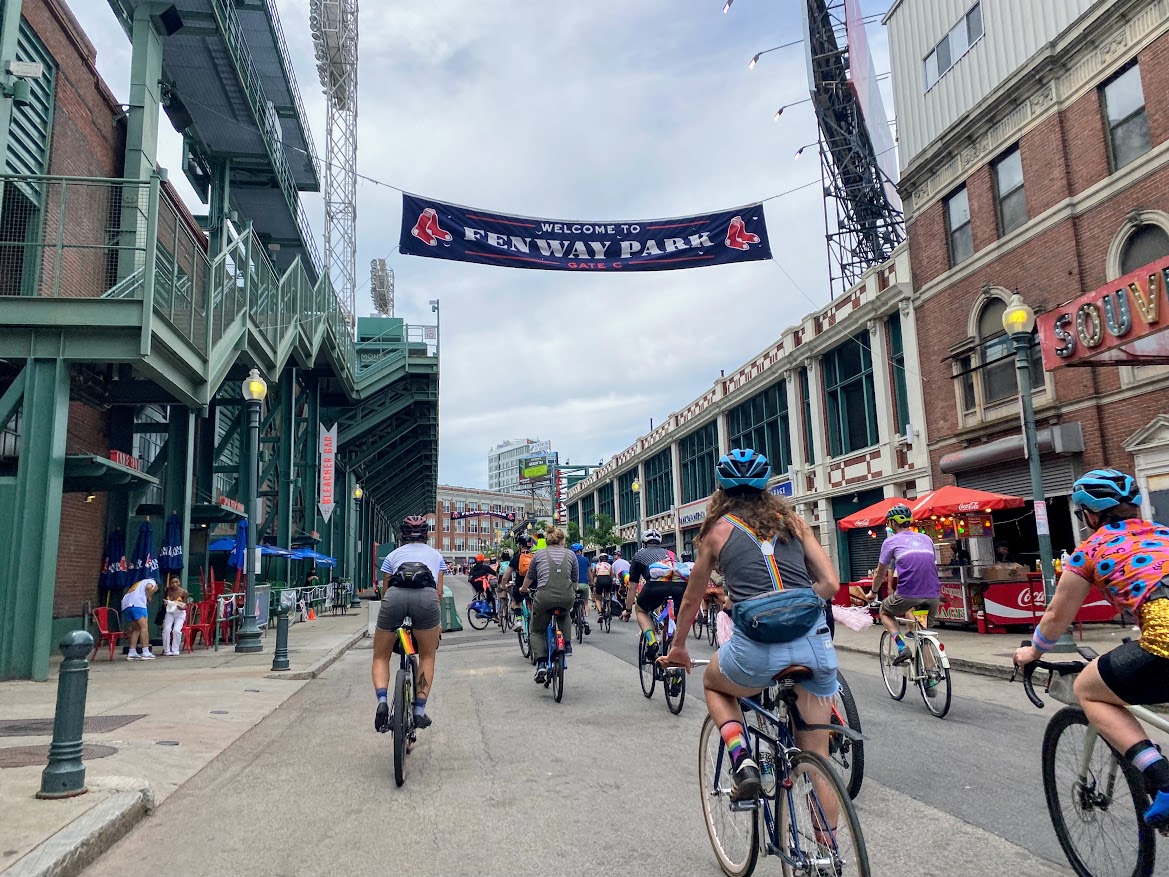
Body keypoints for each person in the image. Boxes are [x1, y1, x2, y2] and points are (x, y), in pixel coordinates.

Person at [661, 449, 840, 801]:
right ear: (766, 487)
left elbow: (691, 599)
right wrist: (800, 604)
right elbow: (830, 584)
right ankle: (826, 850)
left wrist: (679, 646)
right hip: (814, 646)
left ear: (721, 490)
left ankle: (743, 760)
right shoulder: (793, 522)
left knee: (716, 686)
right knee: (818, 758)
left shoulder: (716, 532)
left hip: (754, 652)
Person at [1014, 469, 1169, 828]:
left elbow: (1056, 616)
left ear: (1090, 514)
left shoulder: (1090, 550)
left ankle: (1162, 778)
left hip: (1164, 641)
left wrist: (1032, 653)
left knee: (1088, 688)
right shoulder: (1162, 533)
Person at [372, 516, 445, 732]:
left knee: (380, 656)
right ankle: (420, 711)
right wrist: (433, 623)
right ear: (426, 534)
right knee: (427, 656)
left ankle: (383, 701)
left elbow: (385, 590)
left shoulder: (393, 555)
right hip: (426, 599)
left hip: (394, 598)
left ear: (402, 535)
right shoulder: (436, 556)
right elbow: (438, 593)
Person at [871, 504, 943, 667]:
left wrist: (873, 593)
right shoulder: (927, 539)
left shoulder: (890, 542)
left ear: (893, 523)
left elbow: (880, 573)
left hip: (908, 595)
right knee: (923, 633)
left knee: (884, 611)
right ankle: (931, 677)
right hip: (932, 595)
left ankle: (902, 647)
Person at [521, 526, 578, 683]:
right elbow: (574, 580)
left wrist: (523, 589)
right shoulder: (571, 554)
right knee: (565, 614)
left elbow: (530, 577)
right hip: (566, 597)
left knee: (536, 630)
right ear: (562, 540)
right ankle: (566, 644)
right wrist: (573, 592)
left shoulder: (538, 554)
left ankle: (541, 663)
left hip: (544, 597)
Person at [622, 529, 678, 659]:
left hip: (654, 586)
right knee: (676, 618)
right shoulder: (671, 554)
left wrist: (628, 609)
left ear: (644, 543)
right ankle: (676, 658)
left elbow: (632, 587)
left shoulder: (639, 555)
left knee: (640, 610)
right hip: (678, 587)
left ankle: (652, 641)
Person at [502, 536, 535, 631]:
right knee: (534, 603)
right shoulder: (534, 557)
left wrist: (503, 586)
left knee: (516, 601)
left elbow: (505, 576)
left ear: (520, 546)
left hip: (520, 587)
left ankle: (519, 621)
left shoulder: (516, 558)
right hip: (533, 586)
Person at [121, 576, 158, 660]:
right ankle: (145, 651)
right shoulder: (151, 581)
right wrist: (149, 598)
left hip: (126, 605)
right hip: (138, 604)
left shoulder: (138, 584)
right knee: (144, 628)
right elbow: (149, 588)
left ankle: (132, 651)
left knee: (136, 629)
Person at [162, 575, 188, 656]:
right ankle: (166, 650)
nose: (174, 584)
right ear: (170, 584)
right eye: (172, 583)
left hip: (179, 613)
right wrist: (167, 604)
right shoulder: (167, 591)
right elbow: (164, 602)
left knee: (176, 630)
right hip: (169, 612)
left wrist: (181, 606)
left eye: (176, 582)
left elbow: (185, 605)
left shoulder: (183, 592)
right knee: (166, 629)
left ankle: (175, 649)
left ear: (179, 582)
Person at [570, 543, 592, 635]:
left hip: (573, 585)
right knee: (585, 603)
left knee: (570, 602)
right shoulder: (585, 560)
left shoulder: (570, 560)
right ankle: (586, 620)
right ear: (580, 551)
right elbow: (589, 573)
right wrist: (591, 583)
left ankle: (572, 613)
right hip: (584, 584)